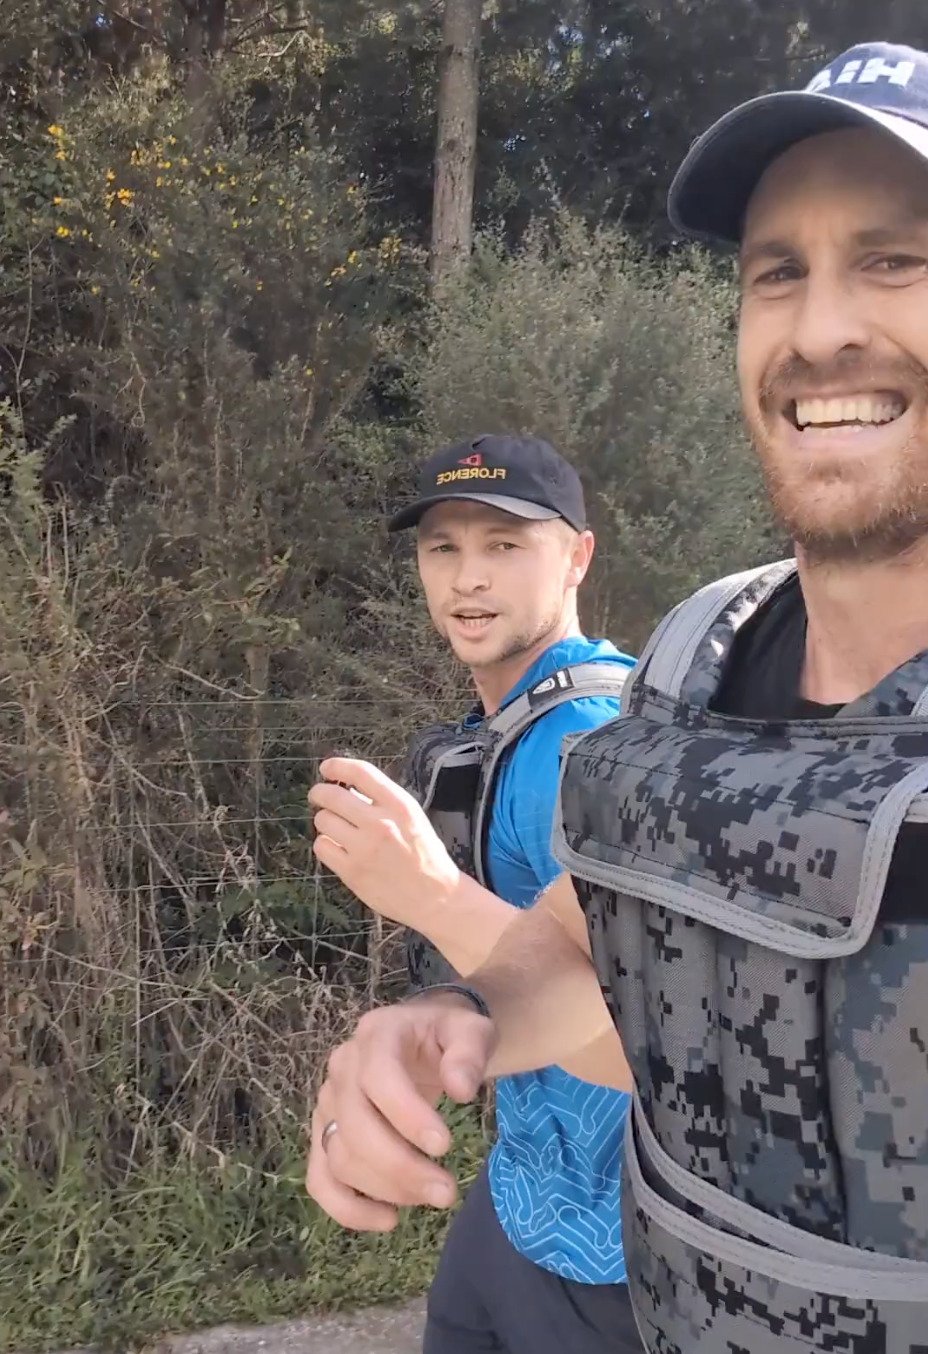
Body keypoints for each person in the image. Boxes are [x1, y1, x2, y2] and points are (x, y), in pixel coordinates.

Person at [307, 40, 928, 1353]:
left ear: (576, 560)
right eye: (778, 271)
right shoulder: (696, 663)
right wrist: (435, 1024)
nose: (823, 329)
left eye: (898, 259)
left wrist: (422, 892)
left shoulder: (580, 713)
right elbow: (607, 971)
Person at [311, 432, 642, 1352]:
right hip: (521, 1192)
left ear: (577, 554)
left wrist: (427, 893)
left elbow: (648, 1039)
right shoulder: (508, 723)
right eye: (443, 548)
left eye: (505, 545)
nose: (468, 580)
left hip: (616, 1248)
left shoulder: (594, 746)